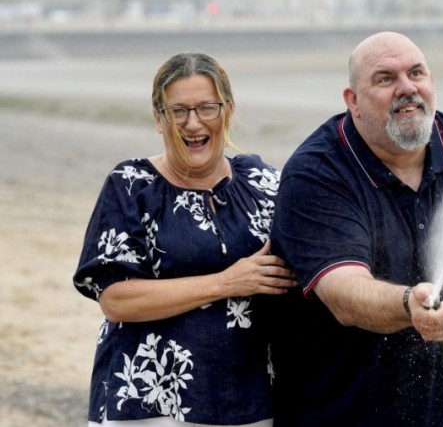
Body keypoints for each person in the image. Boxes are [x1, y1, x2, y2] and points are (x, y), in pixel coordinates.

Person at [267, 32, 443, 426]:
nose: (407, 88)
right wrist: (409, 305)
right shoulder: (317, 173)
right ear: (352, 100)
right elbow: (344, 293)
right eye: (385, 79)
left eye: (416, 73)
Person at [73, 52, 296, 426]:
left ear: (228, 110)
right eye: (178, 111)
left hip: (248, 400)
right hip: (149, 403)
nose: (193, 123)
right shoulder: (131, 185)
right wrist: (226, 282)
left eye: (207, 108)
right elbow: (116, 300)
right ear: (159, 118)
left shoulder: (264, 182)